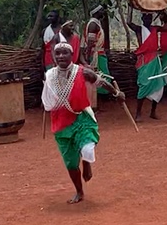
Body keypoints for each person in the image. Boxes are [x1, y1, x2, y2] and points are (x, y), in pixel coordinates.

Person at [42, 42, 125, 204]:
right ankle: (79, 192)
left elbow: (100, 82)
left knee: (87, 147)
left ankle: (87, 164)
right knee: (71, 162)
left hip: (81, 118)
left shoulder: (82, 72)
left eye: (64, 53)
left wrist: (116, 93)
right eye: (57, 53)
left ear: (72, 55)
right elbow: (48, 97)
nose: (60, 56)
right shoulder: (50, 75)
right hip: (61, 122)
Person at [126, 10, 167, 121]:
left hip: (154, 59)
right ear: (142, 18)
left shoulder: (155, 29)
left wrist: (164, 13)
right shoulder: (139, 29)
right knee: (144, 84)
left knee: (158, 84)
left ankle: (153, 112)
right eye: (145, 17)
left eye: (149, 17)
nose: (147, 19)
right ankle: (138, 113)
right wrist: (130, 7)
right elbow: (128, 22)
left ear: (152, 18)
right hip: (144, 60)